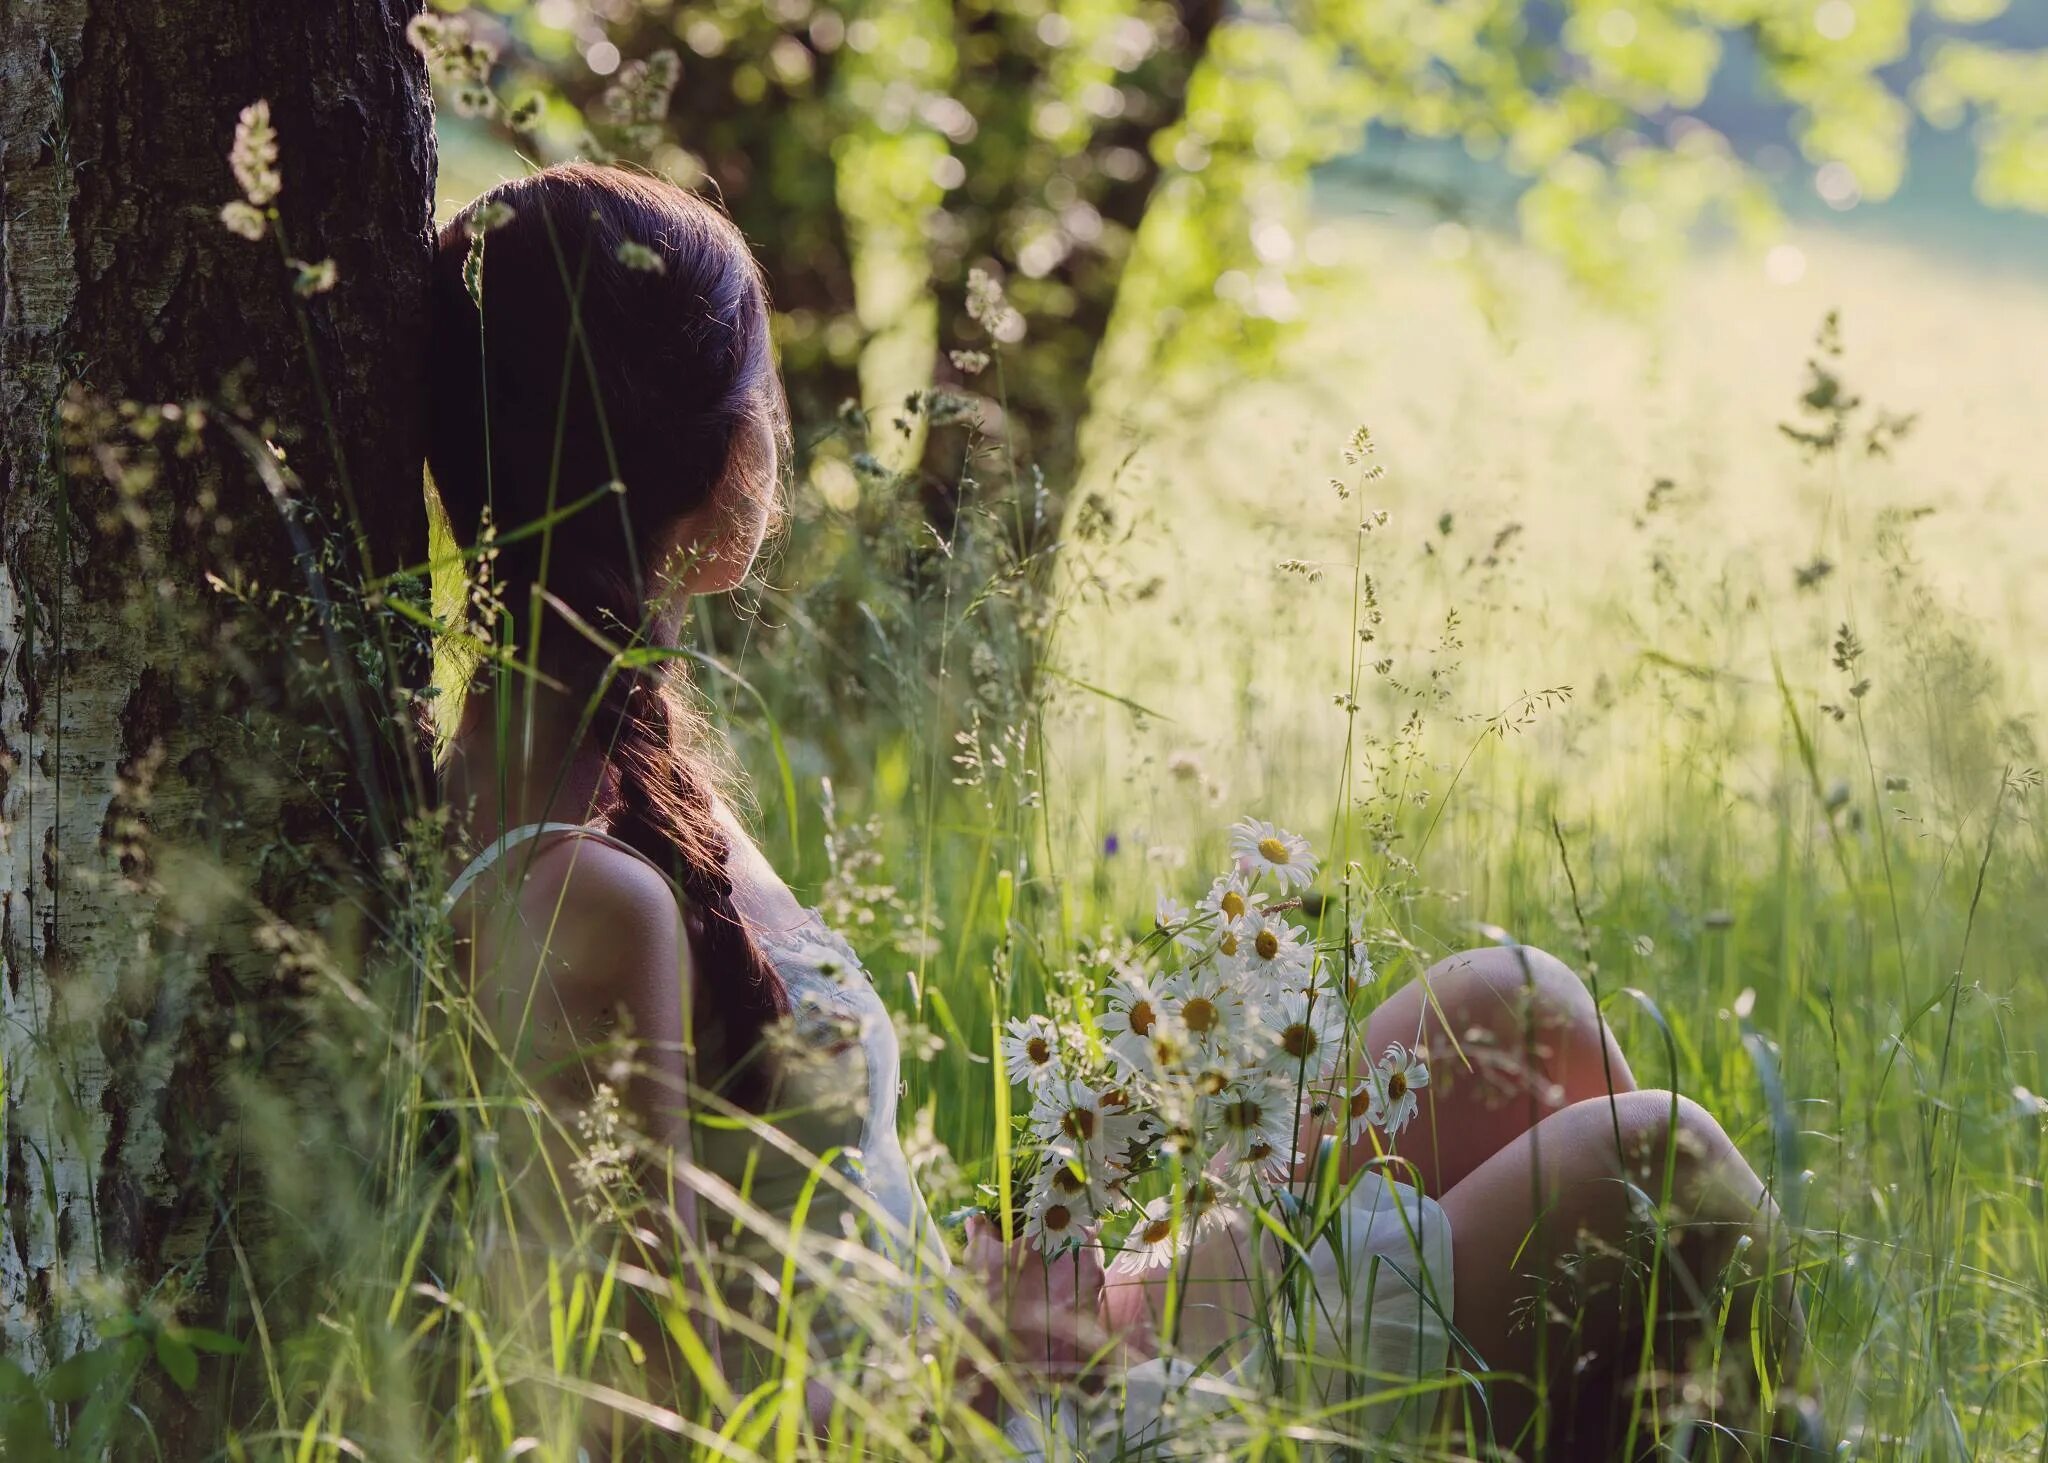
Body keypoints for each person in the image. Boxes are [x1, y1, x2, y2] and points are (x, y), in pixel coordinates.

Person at [425, 160, 1811, 1459]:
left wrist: (1006, 1298)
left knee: (1519, 1005)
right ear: (698, 457)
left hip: (980, 1346)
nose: (777, 423)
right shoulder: (579, 890)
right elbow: (637, 1421)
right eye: (762, 383)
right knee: (1661, 1168)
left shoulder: (611, 752)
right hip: (983, 1423)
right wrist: (975, 1360)